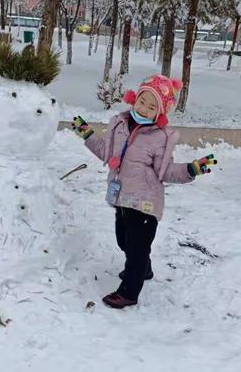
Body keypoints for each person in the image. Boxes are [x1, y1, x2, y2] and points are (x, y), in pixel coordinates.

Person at [73, 75, 217, 309]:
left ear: (159, 112)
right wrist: (87, 134)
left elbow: (166, 170)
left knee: (137, 251)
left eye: (152, 107)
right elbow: (107, 153)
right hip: (122, 199)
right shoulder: (120, 125)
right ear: (134, 98)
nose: (144, 108)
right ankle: (145, 268)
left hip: (145, 204)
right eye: (142, 101)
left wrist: (191, 169)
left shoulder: (159, 138)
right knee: (124, 242)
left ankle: (129, 292)